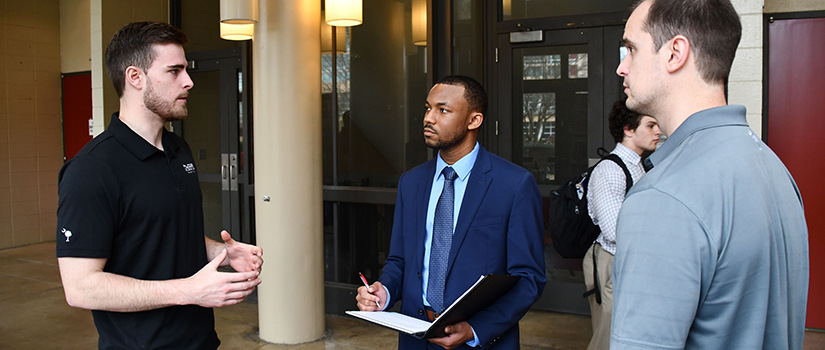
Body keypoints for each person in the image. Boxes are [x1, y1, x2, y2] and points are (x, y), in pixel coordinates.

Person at [611, 0, 809, 349]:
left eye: (631, 49)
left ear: (675, 53)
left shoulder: (663, 197)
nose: (621, 68)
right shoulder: (774, 168)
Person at [56, 22, 263, 350]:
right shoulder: (92, 170)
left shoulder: (178, 149)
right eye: (174, 71)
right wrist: (189, 291)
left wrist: (223, 253)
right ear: (135, 77)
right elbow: (81, 287)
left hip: (201, 340)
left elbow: (165, 234)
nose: (189, 81)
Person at [355, 75, 546, 349]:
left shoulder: (514, 184)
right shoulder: (411, 182)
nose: (429, 118)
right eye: (427, 108)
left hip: (478, 342)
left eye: (442, 110)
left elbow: (529, 278)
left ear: (473, 120)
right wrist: (382, 292)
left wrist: (474, 329)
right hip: (415, 338)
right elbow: (399, 260)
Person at [583, 99, 660, 350]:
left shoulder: (638, 166)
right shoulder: (610, 171)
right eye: (650, 125)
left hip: (630, 260)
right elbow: (614, 231)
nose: (658, 131)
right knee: (607, 338)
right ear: (628, 129)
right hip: (612, 261)